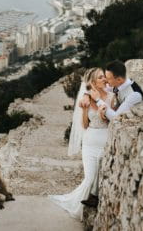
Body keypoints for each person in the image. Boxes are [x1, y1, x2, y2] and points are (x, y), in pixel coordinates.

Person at [49, 68, 114, 220]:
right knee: (90, 177)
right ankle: (78, 206)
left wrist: (102, 111)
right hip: (90, 142)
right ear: (92, 82)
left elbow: (112, 120)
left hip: (105, 141)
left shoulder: (111, 96)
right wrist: (85, 110)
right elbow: (85, 125)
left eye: (104, 76)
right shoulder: (85, 99)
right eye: (101, 77)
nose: (105, 79)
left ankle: (88, 203)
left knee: (99, 177)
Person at [78, 61, 143, 207]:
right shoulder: (116, 85)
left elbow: (115, 118)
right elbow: (92, 85)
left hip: (109, 137)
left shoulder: (133, 95)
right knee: (91, 175)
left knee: (97, 171)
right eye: (104, 78)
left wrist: (98, 100)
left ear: (118, 80)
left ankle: (93, 197)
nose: (106, 82)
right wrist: (85, 95)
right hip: (91, 139)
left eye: (108, 79)